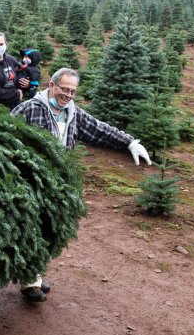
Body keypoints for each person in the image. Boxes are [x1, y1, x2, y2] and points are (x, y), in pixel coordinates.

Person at [10, 68, 151, 302]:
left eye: (73, 92)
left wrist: (129, 142)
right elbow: (3, 133)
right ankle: (29, 280)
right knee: (31, 226)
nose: (68, 95)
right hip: (29, 181)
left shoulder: (73, 113)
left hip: (57, 182)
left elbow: (100, 129)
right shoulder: (30, 109)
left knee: (48, 228)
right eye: (64, 89)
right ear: (51, 85)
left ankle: (32, 273)